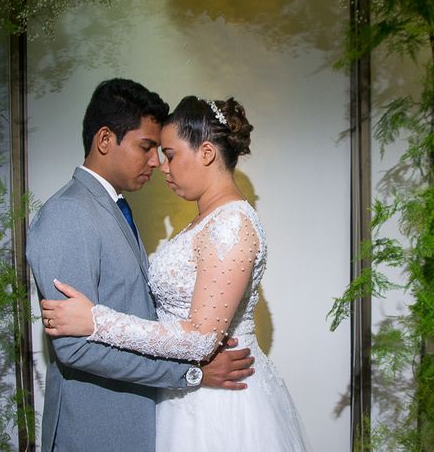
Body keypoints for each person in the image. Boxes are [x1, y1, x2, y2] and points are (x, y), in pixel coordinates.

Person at [41, 95, 310, 451]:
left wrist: (95, 321)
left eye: (169, 155)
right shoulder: (203, 220)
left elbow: (200, 338)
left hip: (217, 407)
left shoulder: (231, 223)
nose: (161, 167)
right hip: (180, 396)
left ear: (207, 153)